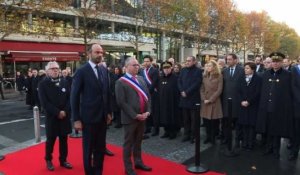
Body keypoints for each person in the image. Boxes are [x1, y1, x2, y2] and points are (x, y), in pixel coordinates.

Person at [71, 43, 112, 175]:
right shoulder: (81, 71)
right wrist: (76, 119)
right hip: (88, 118)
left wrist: (109, 112)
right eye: (97, 52)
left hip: (102, 117)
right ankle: (89, 172)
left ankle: (98, 171)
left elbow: (107, 93)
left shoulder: (104, 70)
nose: (100, 55)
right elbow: (74, 96)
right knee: (88, 149)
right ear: (89, 54)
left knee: (100, 148)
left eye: (101, 52)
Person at [115, 57, 152, 175]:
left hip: (143, 117)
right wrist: (135, 115)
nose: (137, 67)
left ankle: (138, 162)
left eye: (137, 65)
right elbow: (121, 102)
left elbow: (148, 97)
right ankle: (128, 168)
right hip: (130, 119)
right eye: (134, 65)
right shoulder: (120, 82)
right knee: (128, 143)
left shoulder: (141, 79)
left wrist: (148, 111)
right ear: (126, 67)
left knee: (138, 141)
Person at [256, 52, 293, 159]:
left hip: (279, 107)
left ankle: (276, 150)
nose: (275, 64)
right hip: (266, 106)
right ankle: (268, 148)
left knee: (277, 129)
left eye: (277, 62)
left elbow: (288, 93)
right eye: (273, 62)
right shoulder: (266, 74)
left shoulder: (288, 75)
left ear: (281, 62)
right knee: (267, 128)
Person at [38, 61, 72, 171]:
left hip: (64, 117)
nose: (55, 70)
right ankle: (48, 159)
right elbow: (44, 103)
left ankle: (63, 160)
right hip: (52, 117)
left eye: (57, 68)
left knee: (64, 141)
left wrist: (65, 111)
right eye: (52, 68)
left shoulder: (65, 82)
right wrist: (58, 112)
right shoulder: (42, 84)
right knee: (50, 141)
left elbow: (69, 98)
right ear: (47, 71)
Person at [237, 62, 261, 151]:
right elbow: (238, 90)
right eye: (245, 68)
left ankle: (250, 144)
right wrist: (242, 101)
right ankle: (244, 142)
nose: (245, 70)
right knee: (244, 125)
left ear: (252, 69)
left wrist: (249, 101)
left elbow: (257, 92)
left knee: (251, 126)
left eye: (247, 68)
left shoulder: (258, 79)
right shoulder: (241, 78)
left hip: (252, 105)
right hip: (242, 105)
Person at [178, 56, 203, 143]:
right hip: (184, 98)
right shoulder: (183, 70)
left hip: (193, 98)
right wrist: (181, 91)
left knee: (194, 119)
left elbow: (197, 83)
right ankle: (186, 134)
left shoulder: (198, 71)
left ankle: (194, 135)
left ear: (194, 62)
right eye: (186, 61)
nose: (187, 62)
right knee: (185, 119)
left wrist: (187, 92)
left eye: (189, 61)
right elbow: (179, 81)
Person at [221, 53, 244, 147]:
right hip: (226, 101)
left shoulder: (242, 70)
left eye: (230, 59)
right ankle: (226, 139)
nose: (228, 61)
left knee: (238, 123)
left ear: (235, 60)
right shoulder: (224, 71)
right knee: (226, 122)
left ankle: (238, 140)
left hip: (237, 101)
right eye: (227, 59)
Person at [200, 60, 223, 144]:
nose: (208, 67)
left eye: (210, 66)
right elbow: (202, 88)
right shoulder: (205, 75)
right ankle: (208, 137)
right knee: (206, 121)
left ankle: (213, 137)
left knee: (214, 122)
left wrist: (211, 99)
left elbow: (219, 90)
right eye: (207, 66)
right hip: (205, 101)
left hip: (214, 101)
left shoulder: (219, 76)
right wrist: (204, 99)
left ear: (214, 67)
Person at [159, 61, 181, 139]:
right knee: (165, 117)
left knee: (172, 117)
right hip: (163, 101)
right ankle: (166, 131)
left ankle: (173, 132)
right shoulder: (161, 78)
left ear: (171, 69)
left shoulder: (175, 77)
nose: (166, 70)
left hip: (173, 101)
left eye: (168, 68)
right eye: (164, 68)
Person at [141, 55, 160, 137]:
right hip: (145, 94)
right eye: (144, 61)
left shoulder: (155, 70)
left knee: (154, 112)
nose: (146, 63)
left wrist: (148, 92)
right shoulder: (142, 71)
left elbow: (154, 83)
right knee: (146, 111)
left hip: (153, 94)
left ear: (151, 62)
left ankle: (156, 129)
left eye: (147, 61)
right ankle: (147, 127)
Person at [289, 61, 300, 160]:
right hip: (297, 106)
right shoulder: (295, 70)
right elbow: (293, 87)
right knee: (297, 130)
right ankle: (294, 151)